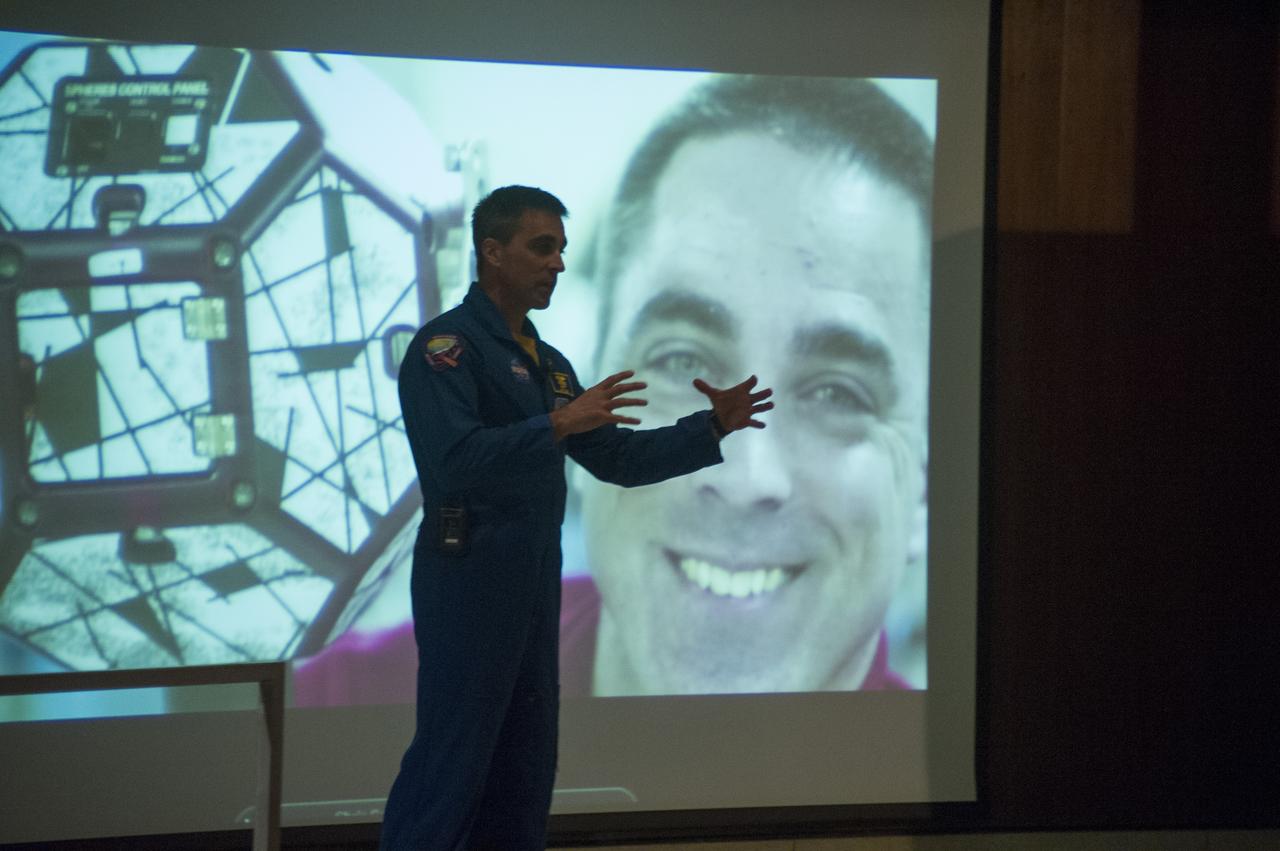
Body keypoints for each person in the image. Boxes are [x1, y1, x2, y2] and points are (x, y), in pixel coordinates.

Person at [378, 185, 773, 850]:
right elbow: (455, 460)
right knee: (453, 763)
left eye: (561, 249)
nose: (557, 263)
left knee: (525, 769)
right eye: (541, 247)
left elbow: (616, 458)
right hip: (469, 577)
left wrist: (709, 427)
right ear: (492, 252)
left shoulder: (550, 365)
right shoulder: (446, 348)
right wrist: (558, 424)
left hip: (534, 583)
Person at [559, 74, 932, 696]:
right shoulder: (392, 685)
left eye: (838, 394)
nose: (744, 476)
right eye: (681, 361)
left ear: (924, 489)